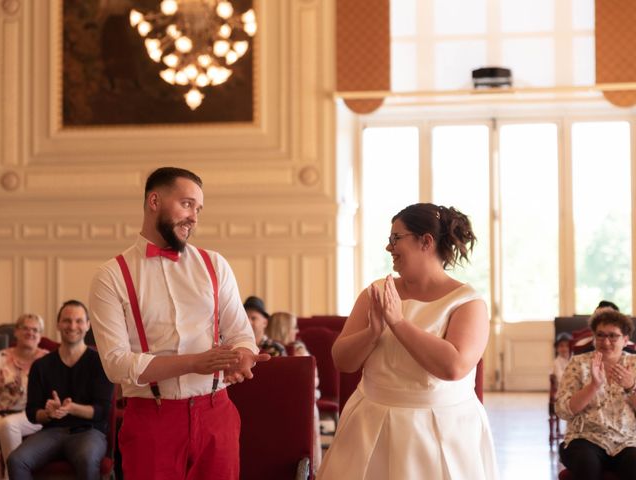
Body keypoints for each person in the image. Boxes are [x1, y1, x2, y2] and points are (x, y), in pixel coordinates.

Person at [88, 166, 270, 480]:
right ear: (154, 201)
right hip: (151, 420)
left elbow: (242, 333)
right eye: (186, 204)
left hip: (217, 413)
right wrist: (194, 363)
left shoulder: (215, 264)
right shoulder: (111, 276)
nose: (194, 217)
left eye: (198, 209)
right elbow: (116, 365)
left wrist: (242, 354)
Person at [317, 202, 497, 480]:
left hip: (440, 430)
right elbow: (342, 361)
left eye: (395, 238)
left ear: (426, 241)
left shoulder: (468, 302)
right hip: (370, 423)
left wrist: (398, 323)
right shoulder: (376, 292)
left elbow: (454, 367)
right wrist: (372, 332)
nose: (389, 247)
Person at [7, 300, 114, 480]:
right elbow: (33, 413)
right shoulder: (41, 365)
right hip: (51, 432)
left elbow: (103, 411)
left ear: (88, 325)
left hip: (89, 432)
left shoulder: (100, 363)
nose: (72, 326)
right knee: (16, 460)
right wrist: (49, 413)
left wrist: (72, 409)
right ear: (58, 324)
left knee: (87, 459)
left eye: (79, 321)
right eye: (67, 320)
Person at [555, 308, 636, 479]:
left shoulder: (634, 364)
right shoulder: (578, 364)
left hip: (628, 440)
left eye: (613, 336)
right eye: (600, 335)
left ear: (626, 340)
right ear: (594, 338)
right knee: (587, 464)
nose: (606, 342)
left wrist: (630, 387)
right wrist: (593, 386)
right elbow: (562, 410)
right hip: (585, 438)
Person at [267, 311, 322, 471]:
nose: (297, 331)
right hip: (287, 402)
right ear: (284, 329)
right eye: (294, 327)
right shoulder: (267, 350)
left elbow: (314, 381)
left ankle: (312, 466)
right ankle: (313, 468)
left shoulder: (299, 350)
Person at [0, 314, 49, 478]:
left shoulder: (47, 359)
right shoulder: (2, 357)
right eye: (25, 328)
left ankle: (12, 474)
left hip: (31, 413)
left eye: (35, 330)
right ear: (16, 332)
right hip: (0, 410)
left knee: (7, 425)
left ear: (40, 336)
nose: (30, 333)